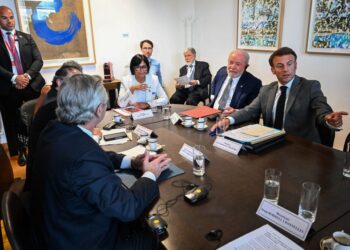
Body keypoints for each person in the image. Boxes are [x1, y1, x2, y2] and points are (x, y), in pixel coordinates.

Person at [30, 74, 171, 249]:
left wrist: (130, 161)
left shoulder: (54, 130)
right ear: (99, 110)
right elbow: (127, 208)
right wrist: (150, 173)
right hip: (82, 240)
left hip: (58, 223)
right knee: (150, 238)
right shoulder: (84, 155)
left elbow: (91, 156)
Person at [210, 47, 348, 144]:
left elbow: (321, 109)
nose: (286, 69)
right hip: (270, 144)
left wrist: (328, 119)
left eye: (289, 64)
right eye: (280, 66)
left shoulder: (310, 87)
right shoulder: (266, 90)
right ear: (273, 70)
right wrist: (228, 120)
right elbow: (249, 110)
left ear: (295, 65)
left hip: (302, 149)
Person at [24, 62, 82, 191]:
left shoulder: (55, 98)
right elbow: (72, 144)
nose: (80, 86)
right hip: (47, 184)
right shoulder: (55, 106)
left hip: (47, 169)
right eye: (74, 81)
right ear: (60, 83)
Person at [0, 6, 45, 156]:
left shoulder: (26, 37)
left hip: (31, 84)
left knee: (36, 117)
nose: (10, 21)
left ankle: (40, 147)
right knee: (13, 121)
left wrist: (26, 76)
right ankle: (20, 151)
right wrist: (14, 78)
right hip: (8, 86)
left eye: (11, 17)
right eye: (4, 18)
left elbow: (38, 60)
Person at [209, 50, 262, 116]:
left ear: (245, 66)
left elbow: (253, 110)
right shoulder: (222, 72)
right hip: (211, 113)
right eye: (231, 62)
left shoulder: (253, 83)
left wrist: (235, 111)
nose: (233, 67)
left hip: (232, 117)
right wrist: (212, 95)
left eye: (238, 64)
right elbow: (214, 83)